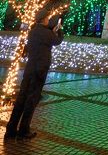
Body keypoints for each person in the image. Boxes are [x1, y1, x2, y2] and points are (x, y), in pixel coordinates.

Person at [3, 12, 64, 141]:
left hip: (30, 69)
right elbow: (57, 41)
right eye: (47, 18)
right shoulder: (47, 33)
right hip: (40, 70)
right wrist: (59, 30)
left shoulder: (32, 32)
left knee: (21, 97)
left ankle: (11, 129)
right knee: (32, 99)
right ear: (44, 20)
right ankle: (24, 130)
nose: (48, 20)